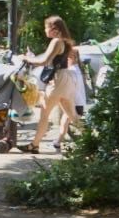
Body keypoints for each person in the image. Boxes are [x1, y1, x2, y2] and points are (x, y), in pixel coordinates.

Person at [15, 16, 79, 154]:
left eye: (46, 27)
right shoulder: (64, 42)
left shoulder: (56, 41)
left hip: (57, 81)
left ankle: (35, 145)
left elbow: (44, 61)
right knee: (72, 116)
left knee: (44, 114)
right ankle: (93, 142)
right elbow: (47, 59)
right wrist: (32, 57)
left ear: (54, 29)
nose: (45, 30)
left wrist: (25, 58)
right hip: (66, 79)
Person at [54, 46, 87, 152]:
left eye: (66, 57)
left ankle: (91, 139)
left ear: (72, 58)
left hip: (74, 103)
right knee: (64, 122)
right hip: (77, 102)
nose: (65, 59)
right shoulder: (75, 69)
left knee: (75, 122)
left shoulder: (72, 71)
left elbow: (71, 88)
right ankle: (57, 142)